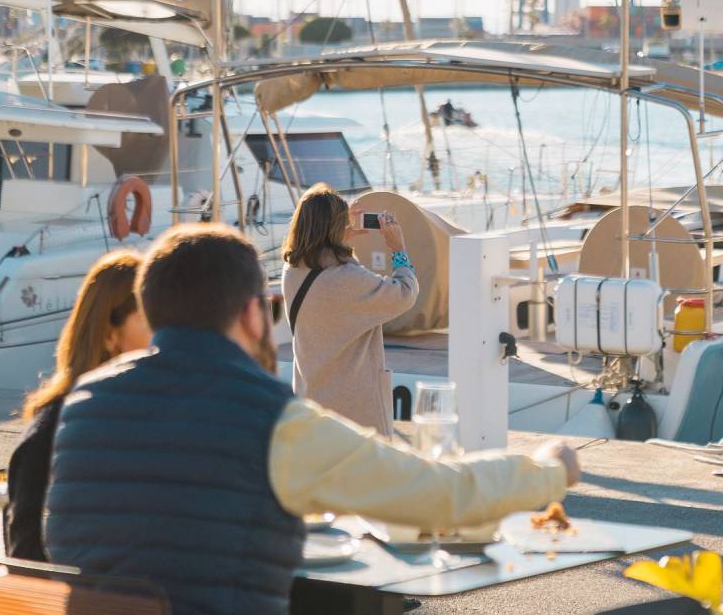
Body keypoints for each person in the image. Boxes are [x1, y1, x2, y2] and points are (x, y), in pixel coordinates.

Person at [44, 224, 579, 615]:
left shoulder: (84, 406)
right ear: (255, 314)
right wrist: (548, 470)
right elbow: (440, 496)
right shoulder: (270, 420)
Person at [5, 250, 150, 561]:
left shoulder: (145, 413)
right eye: (149, 318)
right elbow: (27, 554)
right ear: (110, 332)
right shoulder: (52, 431)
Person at [282, 183, 418, 435]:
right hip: (354, 414)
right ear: (337, 227)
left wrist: (338, 242)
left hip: (310, 404)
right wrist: (399, 249)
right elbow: (404, 293)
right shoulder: (346, 278)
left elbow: (334, 279)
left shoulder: (291, 271)